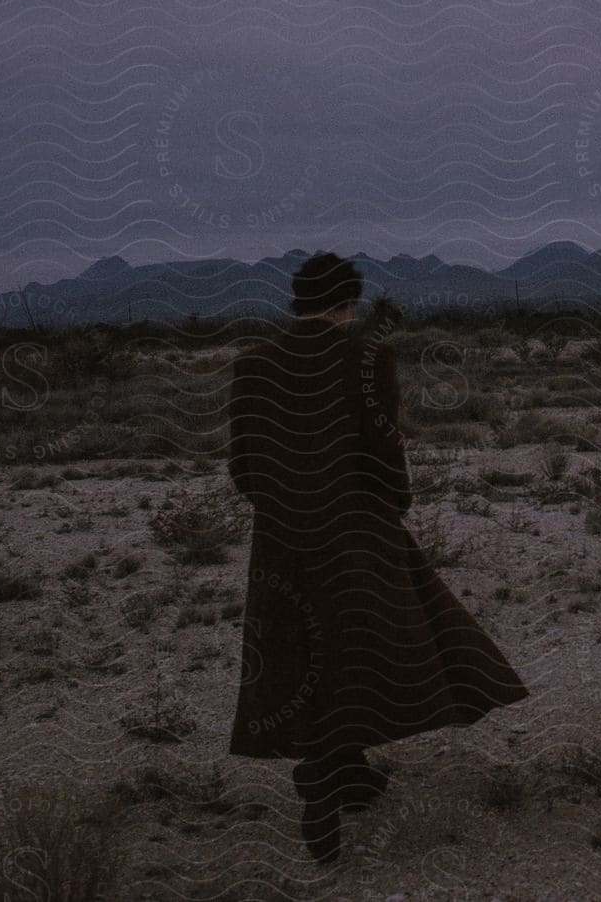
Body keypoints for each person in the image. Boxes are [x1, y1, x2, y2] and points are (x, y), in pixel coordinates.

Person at [226, 252, 529, 862]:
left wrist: (280, 504)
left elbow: (244, 466)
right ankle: (324, 777)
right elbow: (383, 446)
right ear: (348, 303)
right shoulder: (367, 358)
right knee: (365, 641)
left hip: (282, 535)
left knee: (302, 648)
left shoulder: (253, 364)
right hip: (356, 524)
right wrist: (396, 500)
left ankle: (342, 771)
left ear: (297, 301)